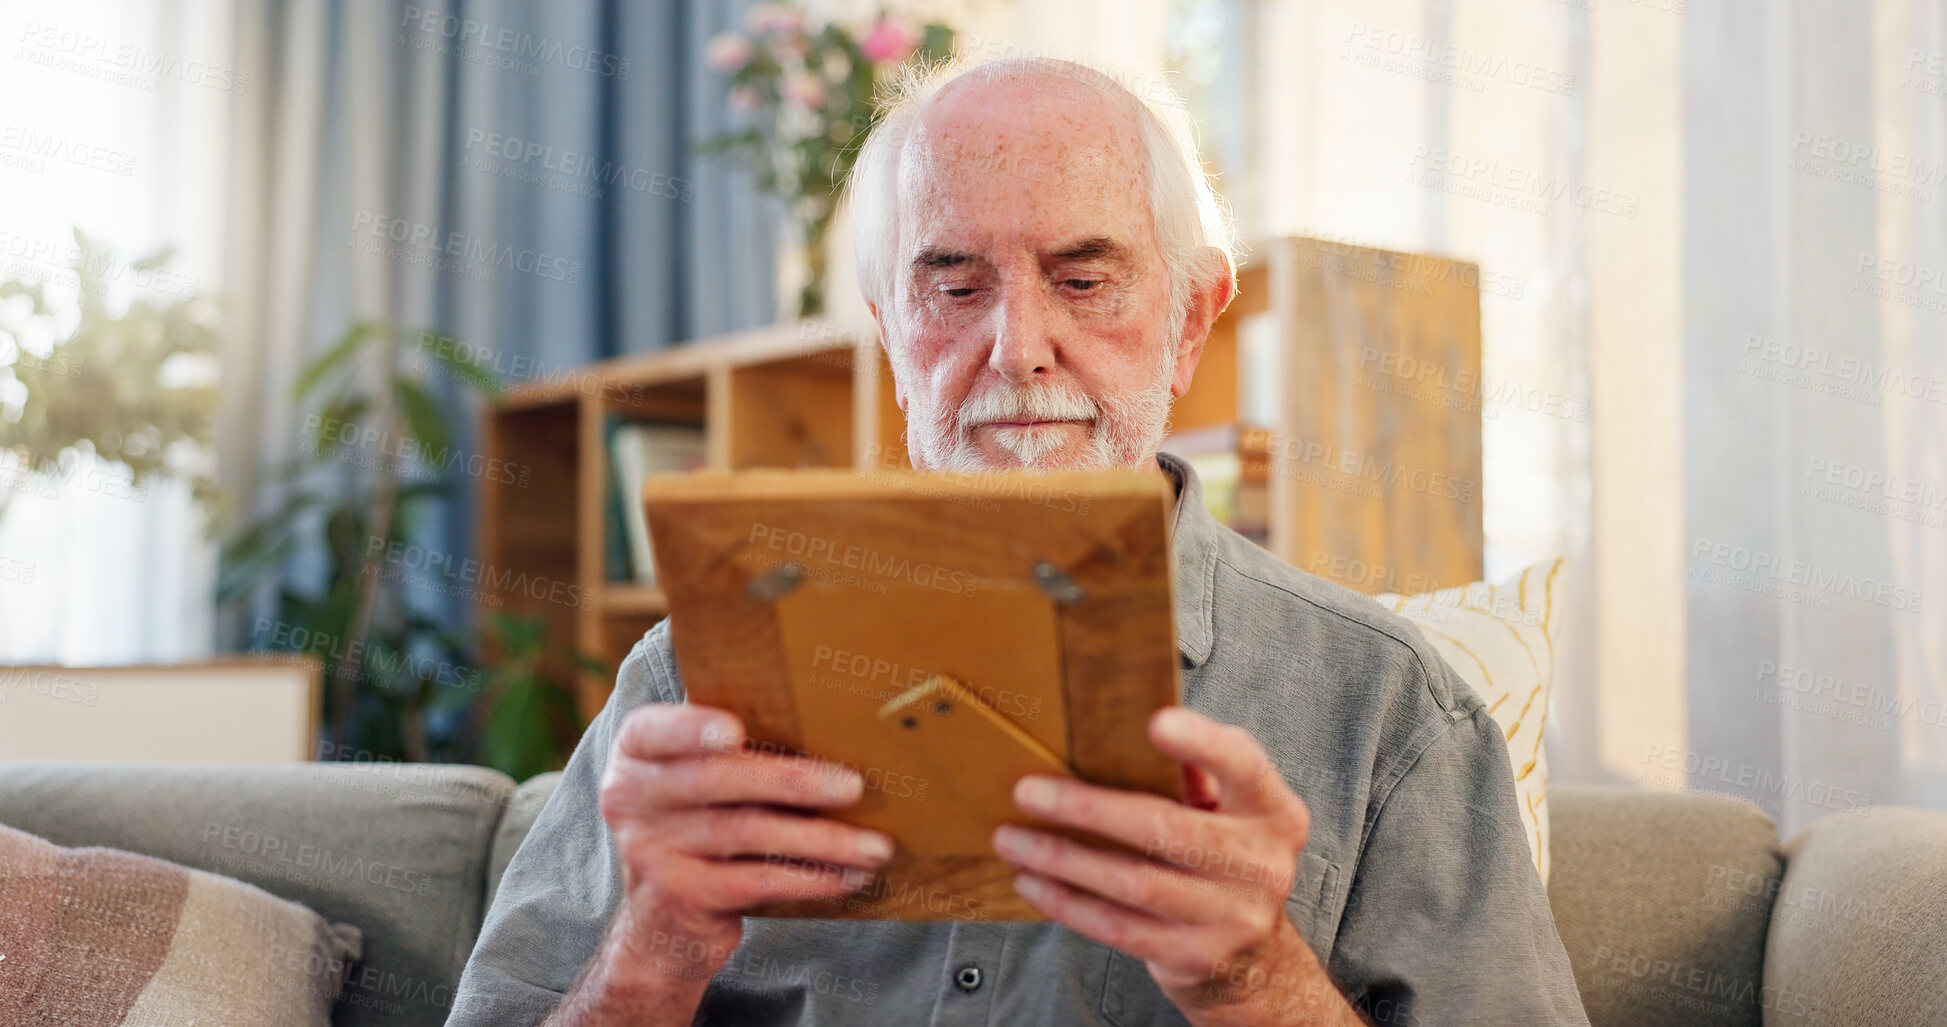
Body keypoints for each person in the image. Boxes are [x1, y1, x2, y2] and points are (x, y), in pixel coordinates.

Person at [450, 54, 1589, 1026]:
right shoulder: (690, 677)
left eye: (1085, 280)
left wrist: (1255, 977)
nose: (1019, 349)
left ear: (1191, 323)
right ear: (892, 333)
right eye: (953, 286)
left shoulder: (1388, 712)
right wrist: (654, 950)